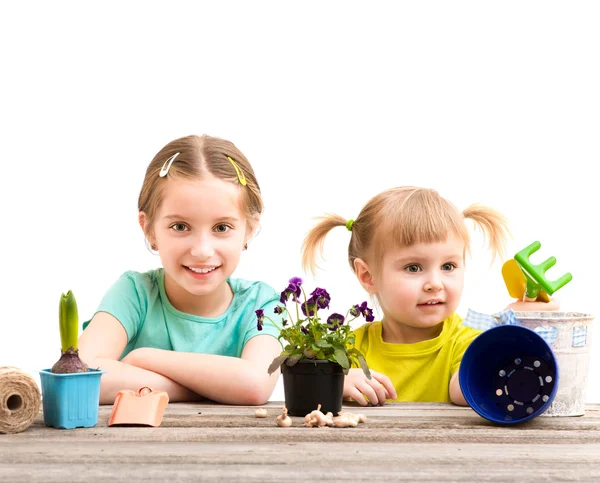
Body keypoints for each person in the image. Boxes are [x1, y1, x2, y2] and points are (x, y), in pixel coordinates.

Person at [301, 186, 557, 406]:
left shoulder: (467, 341)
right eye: (413, 268)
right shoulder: (350, 349)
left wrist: (517, 327)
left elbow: (469, 388)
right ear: (368, 277)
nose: (434, 284)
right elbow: (300, 386)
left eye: (448, 266)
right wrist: (334, 381)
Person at [79, 135, 282, 405]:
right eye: (180, 227)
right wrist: (205, 388)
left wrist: (147, 358)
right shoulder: (135, 294)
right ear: (149, 228)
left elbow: (256, 384)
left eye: (221, 228)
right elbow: (82, 375)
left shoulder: (261, 304)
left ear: (250, 229)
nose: (201, 250)